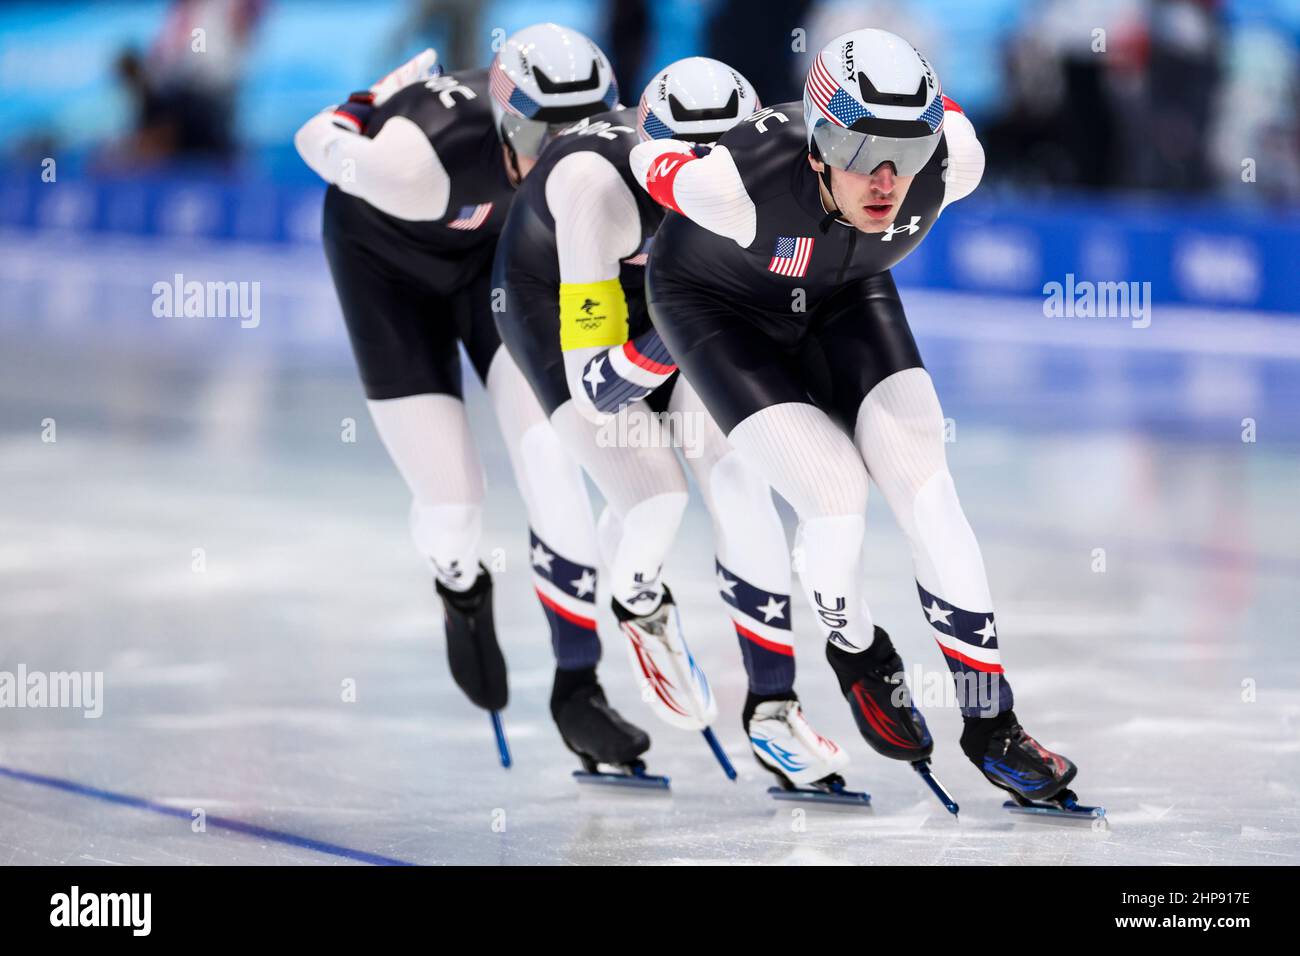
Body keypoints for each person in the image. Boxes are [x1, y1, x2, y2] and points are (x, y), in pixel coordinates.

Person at [629, 28, 1083, 807]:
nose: (886, 178)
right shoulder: (733, 183)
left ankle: (990, 720)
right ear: (819, 142)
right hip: (716, 310)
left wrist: (914, 129)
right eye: (864, 148)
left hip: (845, 296)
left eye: (907, 152)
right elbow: (645, 155)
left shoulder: (955, 159)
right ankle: (859, 652)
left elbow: (945, 118)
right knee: (834, 498)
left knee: (925, 486)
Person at [493, 57, 850, 791]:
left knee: (738, 474)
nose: (705, 192)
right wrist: (682, 322)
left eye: (724, 170)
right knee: (655, 496)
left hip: (666, 303)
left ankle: (773, 710)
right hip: (555, 303)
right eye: (684, 172)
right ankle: (638, 600)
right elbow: (598, 388)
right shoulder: (598, 192)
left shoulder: (767, 173)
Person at [293, 25, 627, 758]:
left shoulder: (594, 155)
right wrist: (366, 101)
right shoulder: (415, 163)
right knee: (453, 506)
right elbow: (310, 140)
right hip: (384, 269)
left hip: (490, 269)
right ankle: (461, 587)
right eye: (544, 137)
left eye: (586, 133)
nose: (566, 159)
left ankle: (579, 685)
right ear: (506, 125)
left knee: (553, 453)